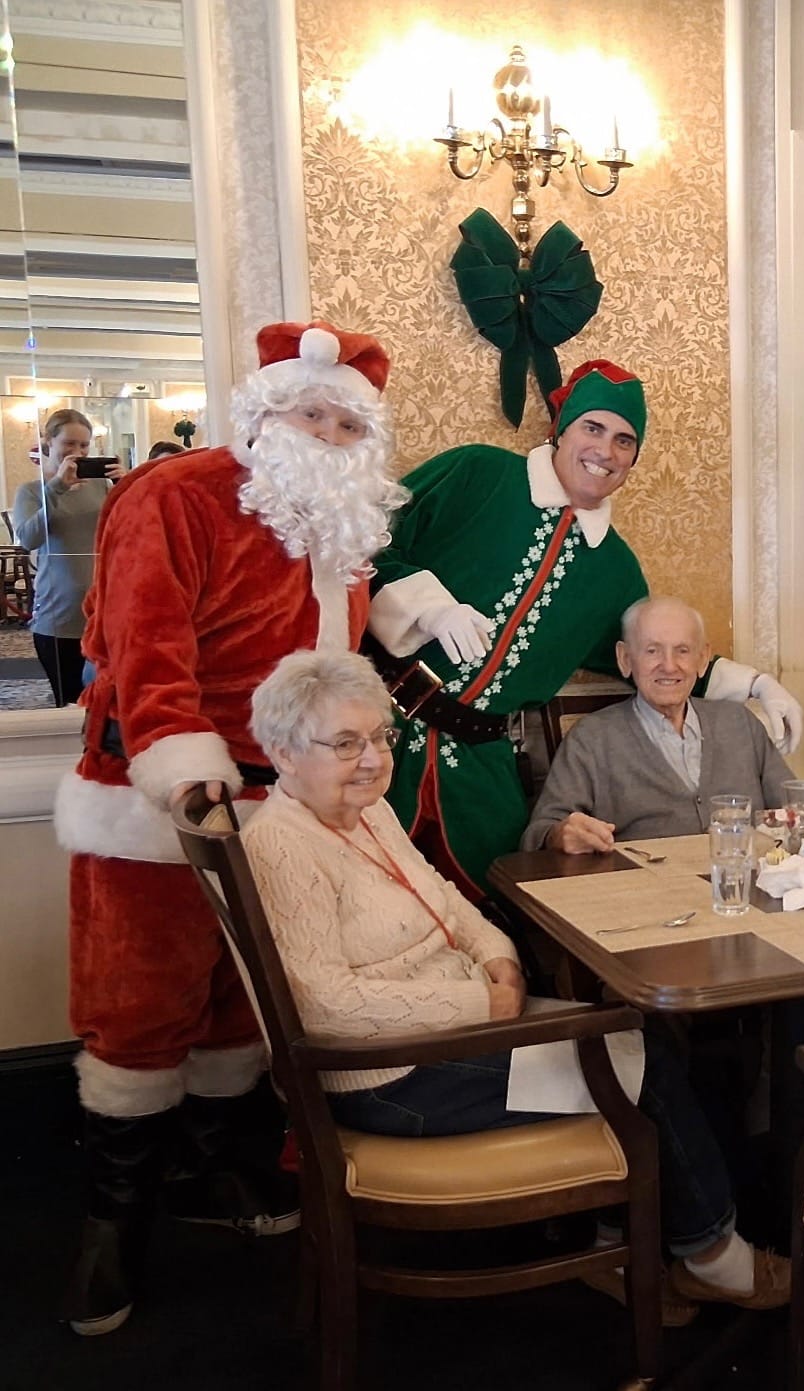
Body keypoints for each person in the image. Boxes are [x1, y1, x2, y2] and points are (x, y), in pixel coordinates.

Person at [242, 649, 789, 1320]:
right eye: (346, 743)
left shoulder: (364, 810)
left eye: (380, 738)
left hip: (446, 1032)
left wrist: (498, 955)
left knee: (640, 1034)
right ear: (283, 752)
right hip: (387, 1075)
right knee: (643, 1059)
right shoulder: (281, 843)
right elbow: (323, 1006)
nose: (373, 759)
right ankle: (714, 1259)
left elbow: (442, 897)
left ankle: (618, 1243)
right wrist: (483, 1000)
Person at [52, 320, 409, 1336]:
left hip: (285, 805)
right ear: (264, 412)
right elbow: (144, 646)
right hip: (160, 804)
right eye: (312, 413)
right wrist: (184, 771)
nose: (329, 433)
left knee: (237, 1004)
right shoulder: (178, 494)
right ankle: (110, 1227)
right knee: (139, 1009)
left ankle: (208, 1169)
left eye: (348, 423)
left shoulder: (342, 527)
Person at [366, 359, 803, 899]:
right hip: (378, 732)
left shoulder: (615, 569)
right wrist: (427, 605)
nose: (606, 451)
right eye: (592, 428)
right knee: (362, 893)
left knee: (503, 906)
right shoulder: (476, 472)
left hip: (479, 766)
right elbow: (362, 539)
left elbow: (656, 656)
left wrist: (756, 683)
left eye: (624, 440)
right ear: (561, 430)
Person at [523, 595, 794, 852]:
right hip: (639, 884)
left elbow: (795, 809)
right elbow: (539, 833)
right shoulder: (591, 739)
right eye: (652, 651)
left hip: (743, 879)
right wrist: (559, 835)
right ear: (625, 659)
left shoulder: (740, 723)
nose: (669, 666)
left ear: (702, 659)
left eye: (682, 651)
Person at [9, 409, 124, 705]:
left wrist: (128, 487)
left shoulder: (101, 486)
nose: (78, 452)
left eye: (84, 445)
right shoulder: (32, 491)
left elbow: (128, 532)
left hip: (105, 612)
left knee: (110, 703)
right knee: (70, 704)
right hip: (58, 616)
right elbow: (28, 538)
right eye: (69, 443)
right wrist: (58, 487)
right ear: (49, 441)